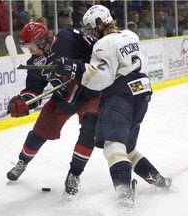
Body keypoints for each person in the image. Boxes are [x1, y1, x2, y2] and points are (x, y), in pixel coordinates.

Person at [52, 5, 172, 207]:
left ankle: (125, 192)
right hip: (142, 93)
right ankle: (158, 180)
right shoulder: (130, 35)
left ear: (100, 23)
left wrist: (74, 68)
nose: (90, 33)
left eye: (91, 27)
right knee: (128, 148)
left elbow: (99, 79)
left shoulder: (103, 44)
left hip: (121, 97)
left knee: (113, 146)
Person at [6, 22, 101, 196]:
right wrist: (22, 102)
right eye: (27, 47)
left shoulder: (68, 37)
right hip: (63, 99)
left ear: (42, 40)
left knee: (90, 128)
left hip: (90, 94)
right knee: (39, 132)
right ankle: (22, 162)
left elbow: (97, 50)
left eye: (32, 46)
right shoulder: (35, 62)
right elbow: (33, 92)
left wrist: (85, 67)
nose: (31, 50)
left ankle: (74, 174)